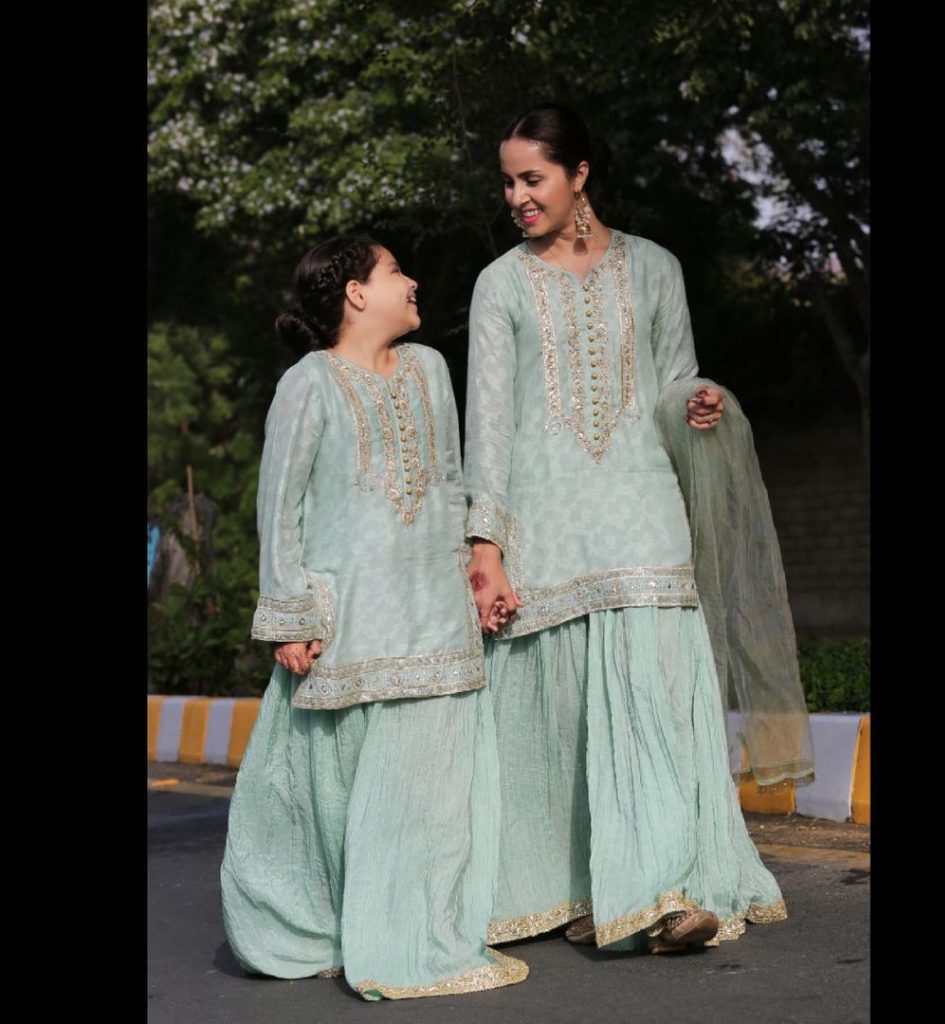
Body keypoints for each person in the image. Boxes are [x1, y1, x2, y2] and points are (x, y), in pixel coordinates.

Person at [463, 105, 813, 954]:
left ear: (580, 173)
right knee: (564, 717)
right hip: (547, 521)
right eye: (508, 181)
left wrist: (698, 402)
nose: (517, 196)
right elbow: (492, 423)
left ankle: (667, 888)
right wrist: (486, 546)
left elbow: (671, 379)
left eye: (532, 177)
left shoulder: (655, 268)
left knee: (654, 697)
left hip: (643, 507)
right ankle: (581, 888)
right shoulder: (500, 283)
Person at [220, 235, 528, 998]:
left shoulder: (430, 369)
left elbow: (451, 482)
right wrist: (288, 613)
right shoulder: (310, 383)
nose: (413, 280)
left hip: (435, 610)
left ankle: (422, 928)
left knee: (438, 787)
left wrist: (482, 571)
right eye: (396, 271)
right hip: (351, 620)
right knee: (346, 787)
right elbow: (279, 507)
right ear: (357, 292)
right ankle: (355, 929)